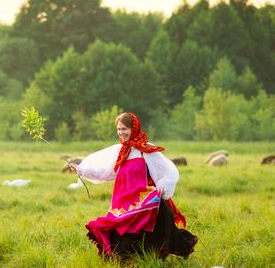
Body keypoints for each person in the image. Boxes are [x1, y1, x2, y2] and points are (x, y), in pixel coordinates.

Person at [71, 111, 197, 260]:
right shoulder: (121, 152)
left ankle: (148, 263)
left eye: (124, 129)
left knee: (147, 238)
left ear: (133, 128)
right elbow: (105, 172)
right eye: (118, 129)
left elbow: (169, 171)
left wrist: (162, 185)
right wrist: (81, 169)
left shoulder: (146, 149)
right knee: (119, 239)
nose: (121, 132)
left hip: (143, 202)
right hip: (123, 203)